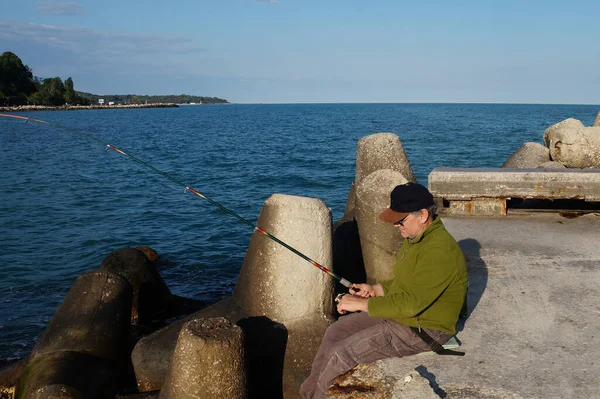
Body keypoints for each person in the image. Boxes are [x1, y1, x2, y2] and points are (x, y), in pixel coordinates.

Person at [300, 182, 468, 399]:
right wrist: (376, 289)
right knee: (336, 331)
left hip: (425, 328)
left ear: (423, 215)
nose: (396, 225)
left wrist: (361, 304)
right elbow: (405, 284)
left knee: (341, 354)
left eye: (400, 220)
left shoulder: (439, 251)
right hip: (404, 316)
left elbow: (410, 303)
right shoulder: (416, 238)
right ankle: (308, 394)